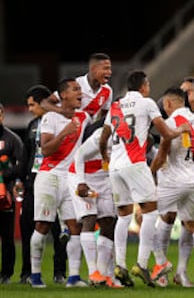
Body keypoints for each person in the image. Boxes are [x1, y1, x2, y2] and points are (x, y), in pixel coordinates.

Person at [99, 70, 189, 288]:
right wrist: (181, 130)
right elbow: (166, 133)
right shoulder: (147, 103)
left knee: (123, 215)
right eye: (148, 83)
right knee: (151, 211)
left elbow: (104, 138)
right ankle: (142, 263)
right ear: (144, 86)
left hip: (116, 166)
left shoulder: (116, 106)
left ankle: (120, 264)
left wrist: (106, 159)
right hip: (135, 163)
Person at [151, 87, 194, 287]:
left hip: (172, 180)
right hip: (193, 179)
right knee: (192, 223)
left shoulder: (170, 123)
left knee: (159, 220)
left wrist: (150, 172)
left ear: (169, 103)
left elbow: (162, 155)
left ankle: (161, 268)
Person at [29, 78, 92, 288]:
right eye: (75, 90)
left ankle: (73, 277)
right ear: (63, 94)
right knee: (42, 225)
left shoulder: (84, 117)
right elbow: (46, 150)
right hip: (50, 176)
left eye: (81, 90)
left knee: (75, 226)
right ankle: (35, 275)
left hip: (71, 177)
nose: (80, 93)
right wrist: (64, 133)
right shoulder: (50, 118)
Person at [18, 85, 67, 285]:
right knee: (28, 227)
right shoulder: (32, 125)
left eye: (32, 105)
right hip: (33, 182)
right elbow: (27, 155)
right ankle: (27, 273)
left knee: (58, 230)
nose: (30, 109)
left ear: (43, 103)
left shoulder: (61, 121)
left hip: (54, 179)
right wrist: (21, 179)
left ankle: (59, 272)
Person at [69, 120, 121, 288]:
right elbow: (79, 156)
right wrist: (81, 182)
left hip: (104, 178)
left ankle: (104, 274)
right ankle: (93, 272)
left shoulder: (131, 136)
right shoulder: (101, 135)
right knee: (89, 219)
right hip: (82, 176)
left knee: (108, 222)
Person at [43, 52, 113, 121]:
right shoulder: (75, 84)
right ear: (93, 69)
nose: (110, 72)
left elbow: (103, 117)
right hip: (66, 126)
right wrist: (62, 111)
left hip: (86, 129)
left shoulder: (107, 90)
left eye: (110, 69)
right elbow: (45, 104)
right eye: (105, 68)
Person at [0, 103, 25, 284]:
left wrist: (4, 175)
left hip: (4, 194)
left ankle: (6, 274)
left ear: (2, 116)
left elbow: (21, 164)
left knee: (7, 235)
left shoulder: (12, 139)